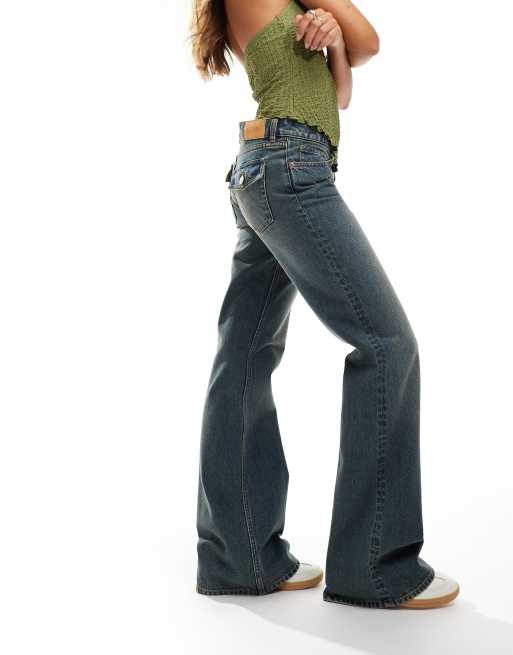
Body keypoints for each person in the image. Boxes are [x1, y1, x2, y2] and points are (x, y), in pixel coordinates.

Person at [189, 0, 460, 609]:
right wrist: (342, 32)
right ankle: (375, 567)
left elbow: (342, 88)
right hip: (289, 168)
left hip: (273, 166)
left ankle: (239, 558)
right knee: (387, 344)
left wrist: (333, 41)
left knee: (244, 356)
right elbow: (374, 41)